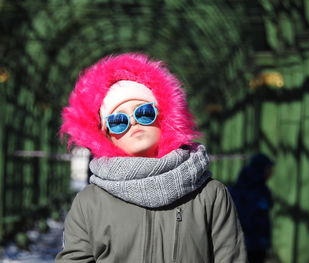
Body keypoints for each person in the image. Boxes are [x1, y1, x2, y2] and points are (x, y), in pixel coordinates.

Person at [55, 53, 247, 262]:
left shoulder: (210, 195)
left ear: (164, 116)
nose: (134, 123)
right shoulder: (90, 202)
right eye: (118, 120)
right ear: (106, 134)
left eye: (144, 112)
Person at [228, 153, 274, 263]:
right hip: (252, 243)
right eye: (269, 168)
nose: (271, 172)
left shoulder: (250, 185)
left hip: (245, 242)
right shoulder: (257, 190)